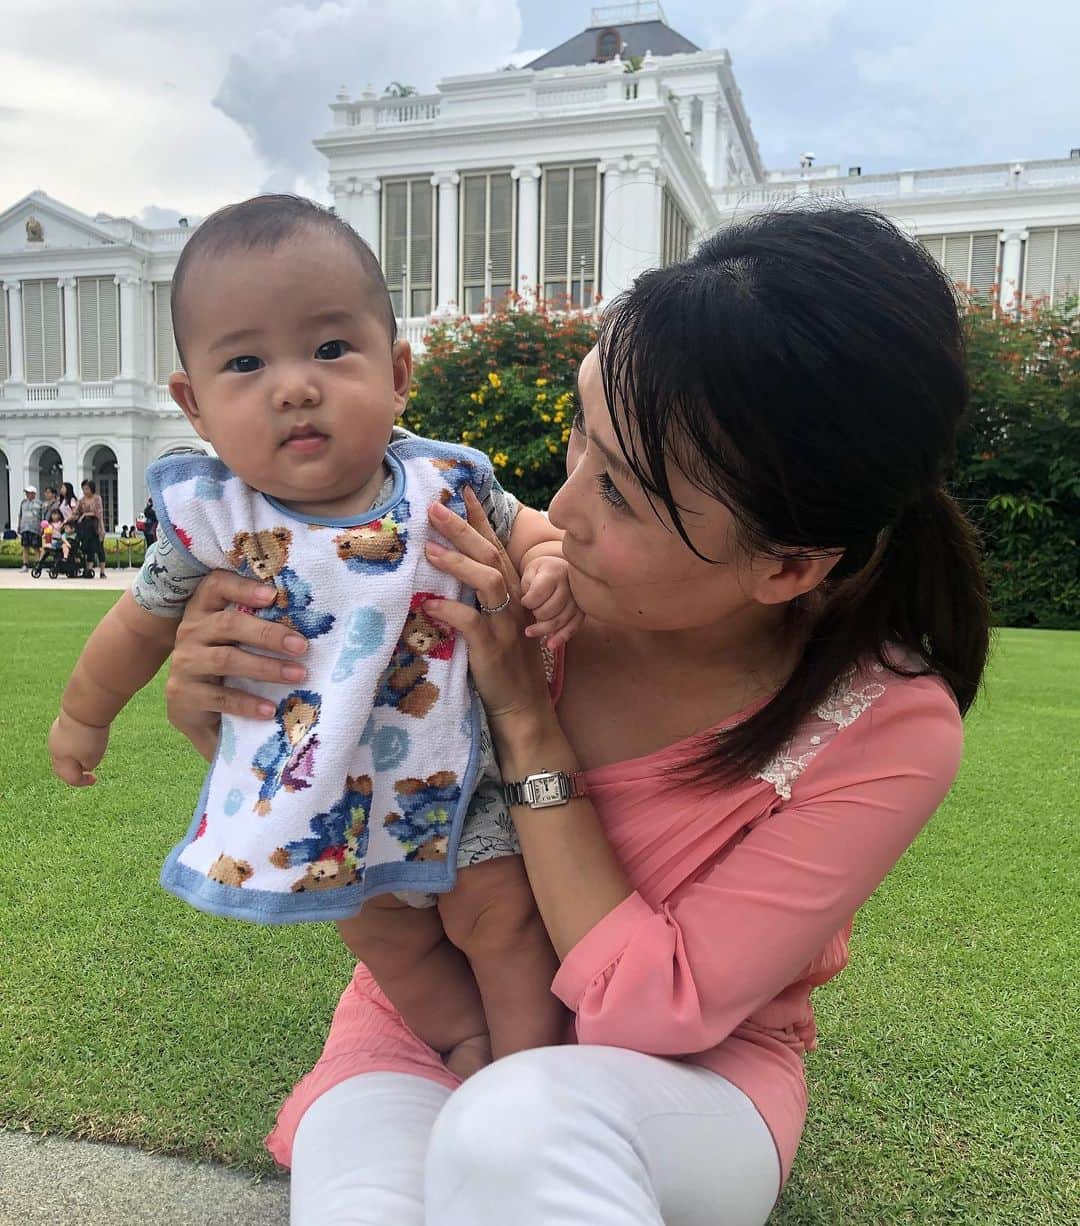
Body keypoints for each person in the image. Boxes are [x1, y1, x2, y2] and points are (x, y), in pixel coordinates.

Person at [164, 207, 991, 1225]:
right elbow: (337, 813)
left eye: (628, 496)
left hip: (687, 1079)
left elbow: (658, 1006)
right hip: (432, 1018)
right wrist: (226, 706)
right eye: (580, 439)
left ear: (788, 564)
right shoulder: (467, 569)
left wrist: (525, 714)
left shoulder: (883, 724)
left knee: (519, 1131)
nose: (568, 506)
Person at [48, 193, 585, 1081]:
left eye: (332, 349)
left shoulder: (444, 481)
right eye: (247, 362)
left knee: (503, 919)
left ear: (399, 371)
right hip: (313, 792)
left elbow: (530, 532)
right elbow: (138, 623)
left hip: (453, 775)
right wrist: (83, 714)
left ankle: (528, 1074)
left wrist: (552, 562)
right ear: (193, 405)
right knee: (382, 937)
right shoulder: (213, 519)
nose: (295, 384)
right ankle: (462, 1042)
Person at [74, 479, 107, 578]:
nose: (85, 491)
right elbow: (76, 512)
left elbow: (98, 513)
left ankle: (102, 571)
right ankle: (89, 569)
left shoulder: (97, 499)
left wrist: (102, 528)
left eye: (87, 488)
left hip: (95, 526)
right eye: (83, 489)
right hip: (85, 528)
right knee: (88, 549)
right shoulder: (82, 500)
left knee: (99, 549)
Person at [17, 484, 43, 572]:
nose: (27, 494)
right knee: (25, 547)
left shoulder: (39, 503)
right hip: (25, 527)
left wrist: (42, 528)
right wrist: (19, 525)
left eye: (29, 493)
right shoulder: (23, 502)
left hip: (35, 528)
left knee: (36, 547)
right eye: (27, 493)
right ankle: (25, 565)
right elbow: (20, 515)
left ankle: (38, 564)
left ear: (34, 493)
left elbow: (42, 517)